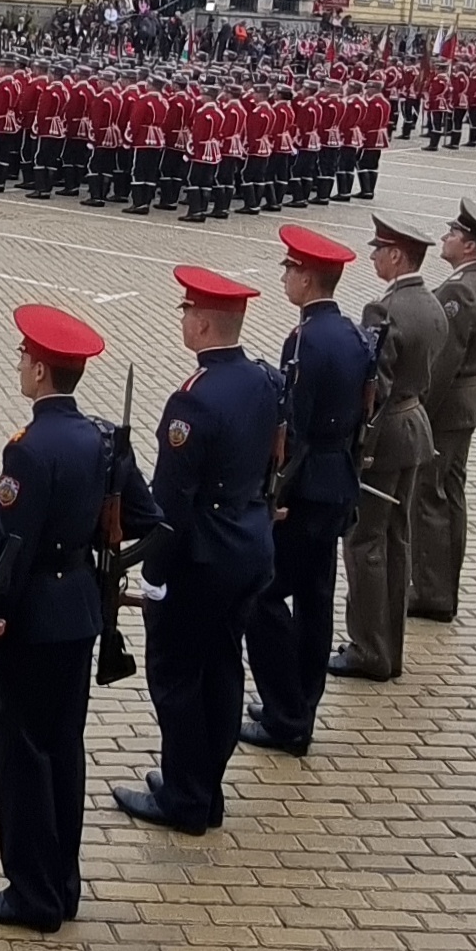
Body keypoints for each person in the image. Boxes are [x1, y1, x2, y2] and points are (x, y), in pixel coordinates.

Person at [0, 304, 113, 935]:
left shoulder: (25, 451)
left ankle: (32, 892)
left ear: (43, 369)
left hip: (33, 620)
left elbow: (12, 550)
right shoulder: (99, 436)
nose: (20, 367)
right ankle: (64, 880)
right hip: (78, 609)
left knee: (23, 755)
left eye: (25, 359)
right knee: (64, 748)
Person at [117, 264, 278, 835]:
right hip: (251, 545)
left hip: (202, 560)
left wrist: (154, 574)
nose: (183, 319)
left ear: (205, 323)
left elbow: (171, 505)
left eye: (187, 311)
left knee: (178, 677)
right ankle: (205, 785)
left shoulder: (193, 402)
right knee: (223, 668)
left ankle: (185, 798)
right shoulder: (263, 379)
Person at [244, 223, 372, 757]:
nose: (286, 279)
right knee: (316, 594)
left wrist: (273, 492)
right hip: (339, 476)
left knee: (265, 596)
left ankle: (286, 714)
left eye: (291, 270)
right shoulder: (351, 332)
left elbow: (291, 424)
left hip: (307, 484)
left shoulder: (303, 339)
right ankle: (304, 700)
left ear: (307, 277)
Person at [338, 216, 444, 680]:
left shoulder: (383, 310)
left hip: (385, 438)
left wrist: (356, 444)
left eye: (379, 247)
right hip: (415, 427)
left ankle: (368, 649)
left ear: (397, 255)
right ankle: (389, 646)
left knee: (365, 543)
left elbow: (372, 387)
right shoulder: (432, 304)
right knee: (397, 540)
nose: (374, 255)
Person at [414, 201, 476, 621]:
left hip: (445, 408)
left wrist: (420, 410)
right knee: (449, 497)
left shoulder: (459, 290)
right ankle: (442, 585)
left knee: (429, 499)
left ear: (468, 246)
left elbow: (442, 361)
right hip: (466, 405)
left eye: (452, 233)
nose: (445, 237)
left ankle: (432, 592)